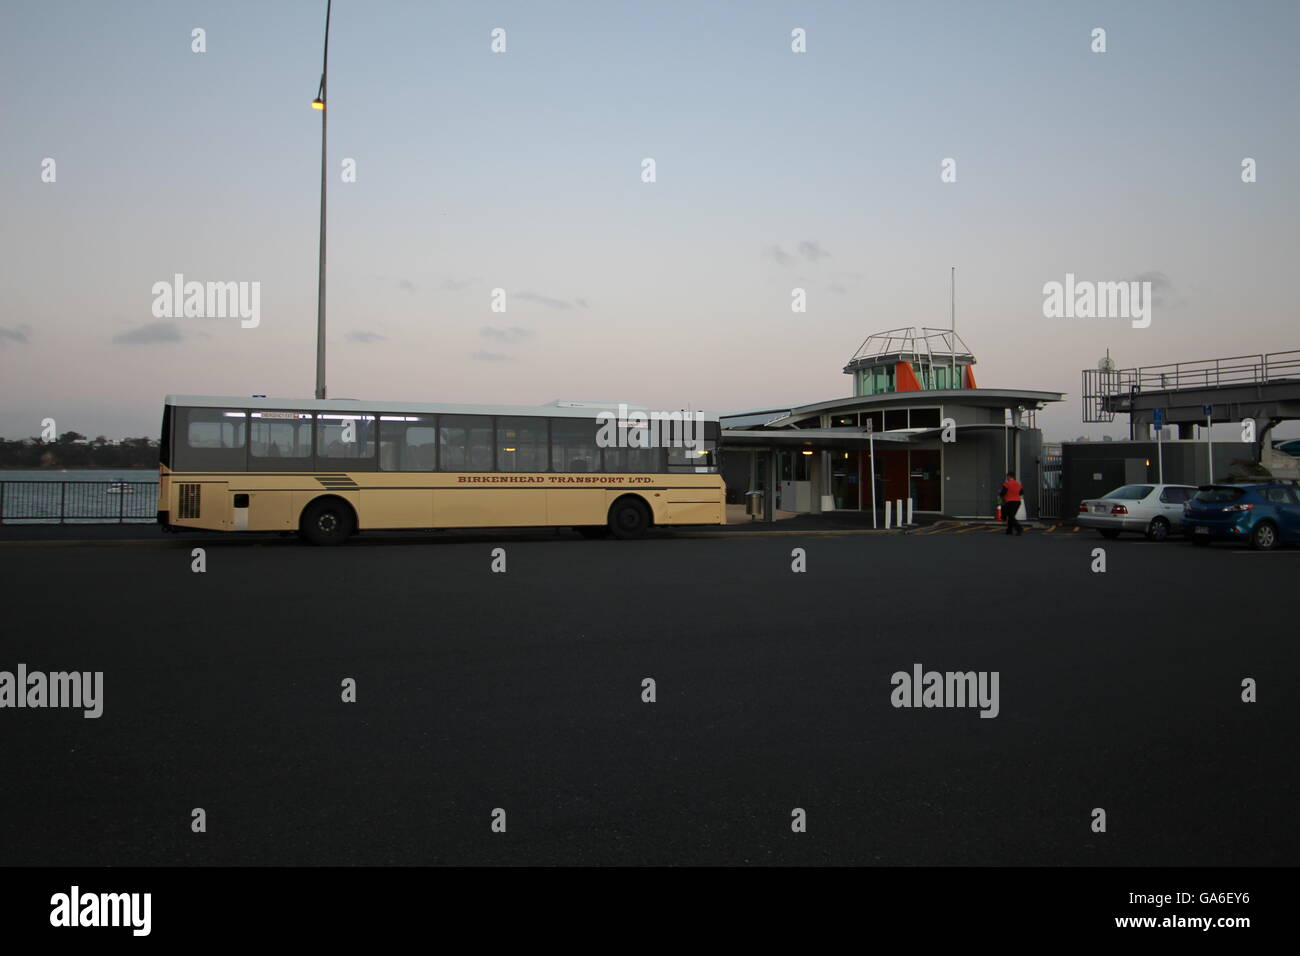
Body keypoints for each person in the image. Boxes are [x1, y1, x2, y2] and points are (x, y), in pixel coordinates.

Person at [1000, 470, 1023, 536]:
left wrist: (1000, 494)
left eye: (1007, 476)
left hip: (1009, 501)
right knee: (1011, 516)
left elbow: (1003, 493)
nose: (1007, 478)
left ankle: (1019, 528)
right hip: (1017, 502)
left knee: (1010, 516)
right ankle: (1009, 530)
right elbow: (1021, 492)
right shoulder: (1018, 484)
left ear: (1009, 476)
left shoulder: (1007, 484)